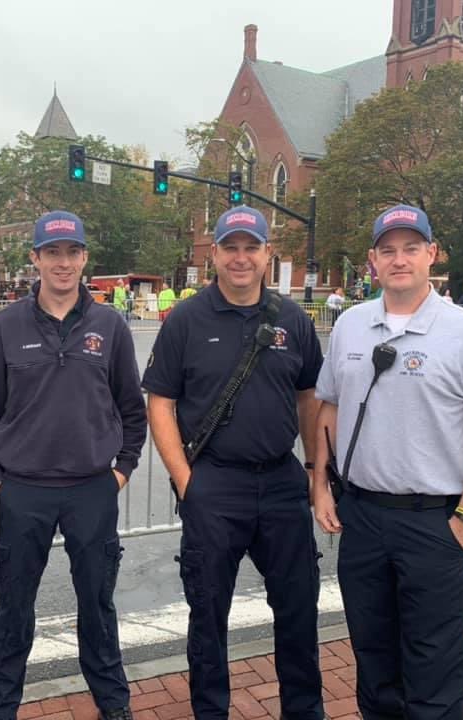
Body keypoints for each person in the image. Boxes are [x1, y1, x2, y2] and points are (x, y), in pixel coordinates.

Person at [311, 204, 463, 720]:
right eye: (388, 250)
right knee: (374, 661)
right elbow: (330, 406)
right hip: (362, 520)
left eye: (410, 248)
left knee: (435, 670)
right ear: (372, 261)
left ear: (432, 254)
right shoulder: (352, 326)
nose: (398, 259)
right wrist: (320, 483)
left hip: (434, 523)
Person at [144, 205, 326, 720]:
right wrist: (186, 481)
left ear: (268, 254)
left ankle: (304, 710)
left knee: (297, 611)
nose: (241, 258)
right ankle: (211, 711)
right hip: (215, 485)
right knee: (208, 614)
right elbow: (160, 401)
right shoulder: (186, 319)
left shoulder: (292, 319)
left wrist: (316, 473)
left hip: (281, 483)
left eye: (252, 247)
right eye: (231, 248)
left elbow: (310, 396)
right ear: (215, 256)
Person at [0, 210, 146, 720]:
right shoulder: (5, 327)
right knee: (14, 610)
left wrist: (122, 469)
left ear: (85, 258)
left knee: (97, 605)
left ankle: (114, 705)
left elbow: (130, 408)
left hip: (93, 489)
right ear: (36, 259)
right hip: (22, 490)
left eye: (72, 253)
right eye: (52, 253)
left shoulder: (110, 325)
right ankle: (1, 708)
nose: (63, 263)